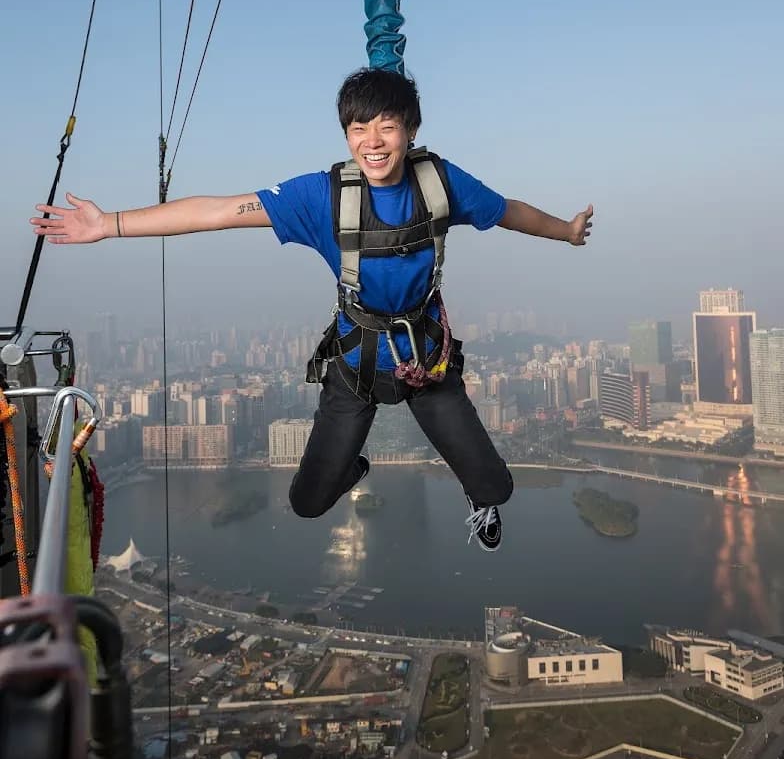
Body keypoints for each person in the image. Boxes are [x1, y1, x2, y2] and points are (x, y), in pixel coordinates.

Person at [31, 68, 593, 552]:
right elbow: (220, 210)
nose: (372, 142)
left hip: (427, 361)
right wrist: (109, 225)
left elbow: (510, 211)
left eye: (387, 127)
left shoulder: (441, 184)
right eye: (358, 129)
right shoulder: (322, 196)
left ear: (411, 130)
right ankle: (353, 466)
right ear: (347, 135)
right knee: (307, 501)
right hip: (355, 364)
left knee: (499, 488)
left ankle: (480, 495)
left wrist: (567, 233)